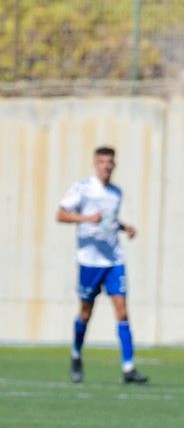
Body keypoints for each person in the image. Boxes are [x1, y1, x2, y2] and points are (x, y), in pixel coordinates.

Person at [57, 145, 147, 384]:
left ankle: (129, 368)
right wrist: (86, 218)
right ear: (95, 164)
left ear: (114, 165)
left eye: (110, 162)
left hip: (113, 260)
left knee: (122, 310)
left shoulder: (116, 192)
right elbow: (61, 214)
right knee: (85, 313)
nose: (106, 166)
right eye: (102, 162)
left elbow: (108, 220)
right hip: (89, 262)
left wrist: (123, 226)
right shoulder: (83, 188)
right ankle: (76, 354)